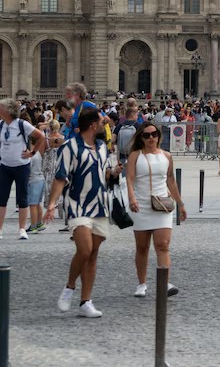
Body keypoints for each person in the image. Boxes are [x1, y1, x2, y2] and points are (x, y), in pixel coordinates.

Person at [45, 108, 122, 318]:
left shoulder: (102, 146)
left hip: (100, 204)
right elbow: (60, 177)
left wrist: (114, 172)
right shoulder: (70, 147)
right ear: (93, 125)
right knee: (85, 250)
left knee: (93, 253)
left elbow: (104, 173)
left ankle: (86, 301)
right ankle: (70, 286)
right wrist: (52, 204)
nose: (105, 124)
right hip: (77, 204)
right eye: (102, 121)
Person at [125, 121, 186, 298]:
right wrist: (132, 198)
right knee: (142, 247)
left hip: (162, 205)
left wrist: (180, 203)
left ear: (159, 136)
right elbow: (129, 179)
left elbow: (171, 180)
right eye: (146, 135)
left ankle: (164, 283)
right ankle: (141, 283)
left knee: (163, 245)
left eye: (154, 134)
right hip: (141, 204)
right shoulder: (135, 155)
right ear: (141, 138)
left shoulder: (167, 156)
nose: (151, 138)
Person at [0, 98, 48, 239]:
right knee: (1, 198)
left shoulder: (22, 124)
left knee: (22, 198)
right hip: (4, 166)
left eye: (1, 107)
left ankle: (22, 229)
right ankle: (0, 229)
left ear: (9, 110)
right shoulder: (1, 125)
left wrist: (32, 153)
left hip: (21, 166)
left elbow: (40, 137)